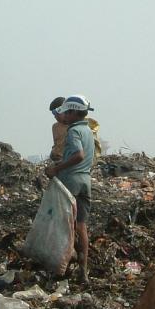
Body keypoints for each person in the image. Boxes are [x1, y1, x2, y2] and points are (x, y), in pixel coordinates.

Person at [45, 95, 95, 284]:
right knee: (81, 226)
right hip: (85, 182)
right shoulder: (88, 131)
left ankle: (61, 268)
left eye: (66, 111)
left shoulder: (73, 131)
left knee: (63, 225)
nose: (63, 115)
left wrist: (55, 169)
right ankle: (83, 271)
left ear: (74, 112)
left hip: (70, 182)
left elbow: (79, 155)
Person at [49, 96, 67, 163]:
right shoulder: (55, 127)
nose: (55, 116)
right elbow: (56, 144)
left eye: (56, 112)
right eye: (53, 113)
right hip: (58, 161)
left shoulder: (74, 127)